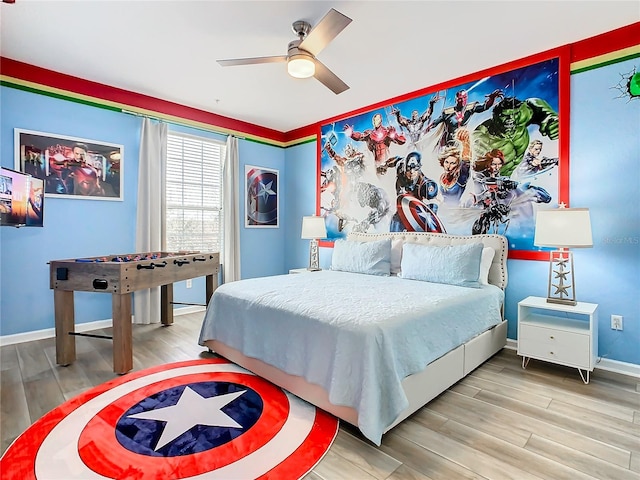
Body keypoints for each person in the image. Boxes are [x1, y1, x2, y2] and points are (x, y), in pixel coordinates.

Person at [426, 88, 503, 152]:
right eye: (460, 98)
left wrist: (492, 98)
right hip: (447, 143)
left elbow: (485, 107)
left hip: (461, 142)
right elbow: (436, 121)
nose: (462, 100)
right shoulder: (448, 112)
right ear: (456, 99)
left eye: (464, 98)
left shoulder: (470, 109)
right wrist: (429, 128)